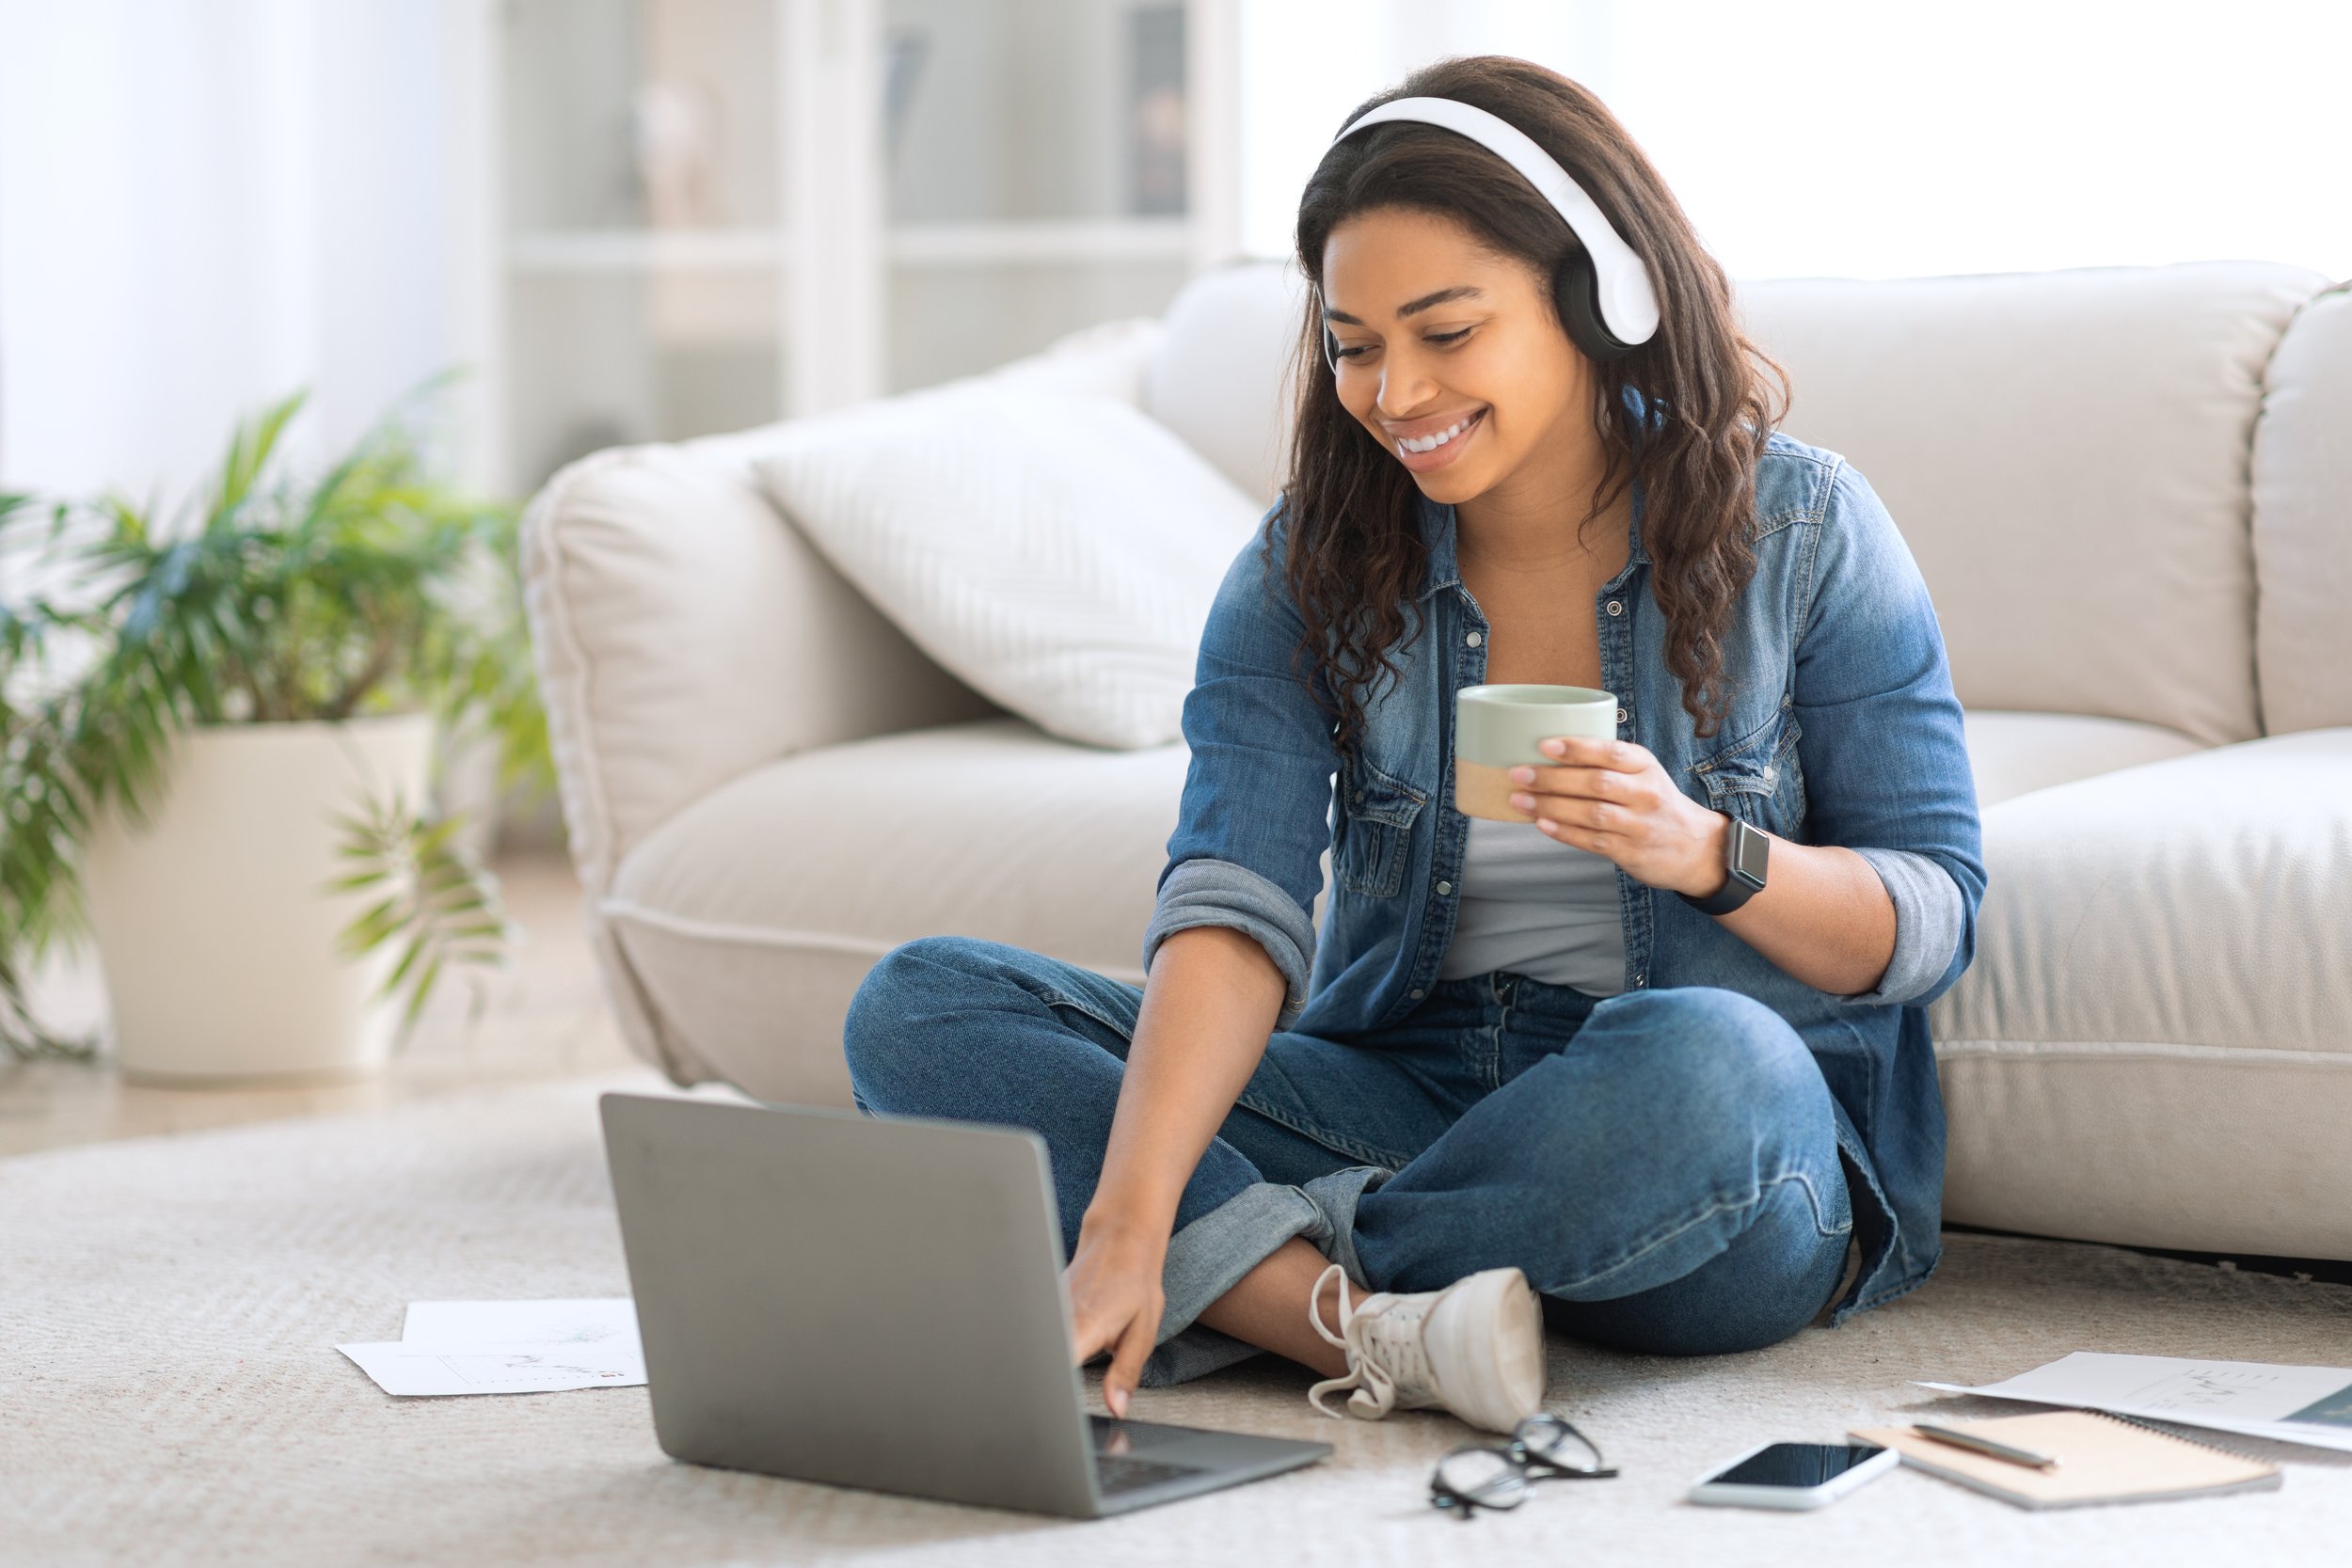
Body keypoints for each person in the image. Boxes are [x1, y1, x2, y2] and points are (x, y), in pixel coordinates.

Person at [843, 55, 1985, 1435]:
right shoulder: (1310, 565)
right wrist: (1130, 1219)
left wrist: (1707, 852)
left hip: (1704, 1147)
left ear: (1598, 297)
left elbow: (1930, 918)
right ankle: (1366, 1323)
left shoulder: (1803, 530)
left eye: (1446, 332)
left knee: (1715, 1069)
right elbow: (1232, 901)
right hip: (1405, 1086)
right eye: (1354, 343)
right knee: (924, 1006)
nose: (1394, 392)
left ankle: (1265, 1283)